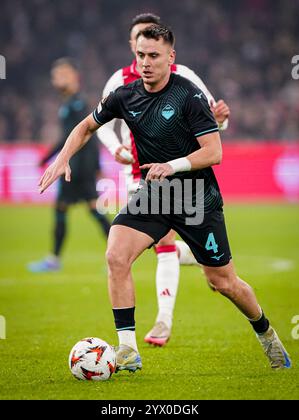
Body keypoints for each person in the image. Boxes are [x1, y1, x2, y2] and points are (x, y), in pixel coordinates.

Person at [38, 25, 291, 373]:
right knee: (116, 254)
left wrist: (171, 166)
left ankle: (267, 334)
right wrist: (62, 157)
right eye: (140, 55)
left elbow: (213, 152)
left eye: (153, 56)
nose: (145, 62)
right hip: (154, 195)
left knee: (223, 282)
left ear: (170, 57)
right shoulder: (124, 95)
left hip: (196, 198)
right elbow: (86, 126)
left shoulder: (189, 96)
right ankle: (127, 349)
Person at [97, 13, 231, 346]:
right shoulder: (119, 81)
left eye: (150, 43)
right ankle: (190, 255)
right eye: (138, 43)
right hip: (137, 173)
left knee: (166, 244)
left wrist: (222, 123)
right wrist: (115, 148)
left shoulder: (183, 77)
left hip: (182, 178)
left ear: (165, 48)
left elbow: (215, 123)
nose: (144, 54)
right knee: (156, 246)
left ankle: (163, 321)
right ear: (132, 44)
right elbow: (97, 123)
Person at [28, 58, 111, 273]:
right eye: (55, 76)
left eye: (62, 75)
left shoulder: (78, 104)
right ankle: (118, 253)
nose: (57, 79)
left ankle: (54, 259)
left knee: (66, 209)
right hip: (77, 166)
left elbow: (85, 136)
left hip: (75, 168)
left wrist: (50, 158)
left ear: (74, 77)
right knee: (92, 210)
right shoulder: (69, 103)